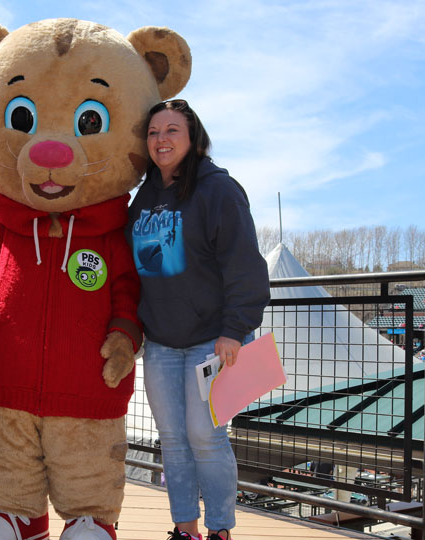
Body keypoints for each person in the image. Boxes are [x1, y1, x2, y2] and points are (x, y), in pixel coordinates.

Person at [127, 100, 271, 540]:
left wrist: (234, 330)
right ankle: (184, 528)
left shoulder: (218, 190)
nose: (161, 139)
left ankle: (220, 530)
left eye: (172, 130)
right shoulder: (144, 196)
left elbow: (244, 265)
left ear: (193, 138)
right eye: (153, 132)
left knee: (205, 436)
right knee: (171, 439)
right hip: (161, 340)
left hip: (212, 339)